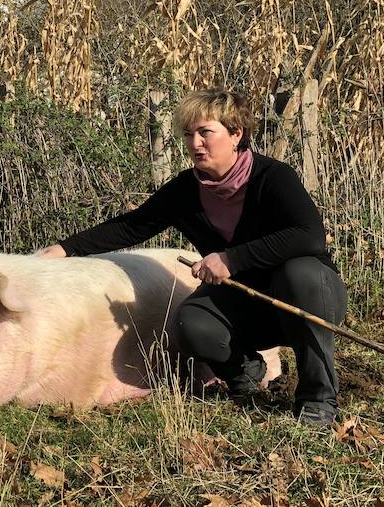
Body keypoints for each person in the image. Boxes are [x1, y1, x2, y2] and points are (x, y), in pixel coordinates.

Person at [37, 89, 347, 427]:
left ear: (236, 134)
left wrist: (232, 258)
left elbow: (309, 235)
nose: (194, 143)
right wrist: (65, 249)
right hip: (248, 302)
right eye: (188, 134)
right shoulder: (187, 190)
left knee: (300, 273)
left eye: (205, 132)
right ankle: (245, 372)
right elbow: (132, 226)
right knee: (194, 321)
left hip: (309, 299)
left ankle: (317, 398)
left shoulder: (273, 178)